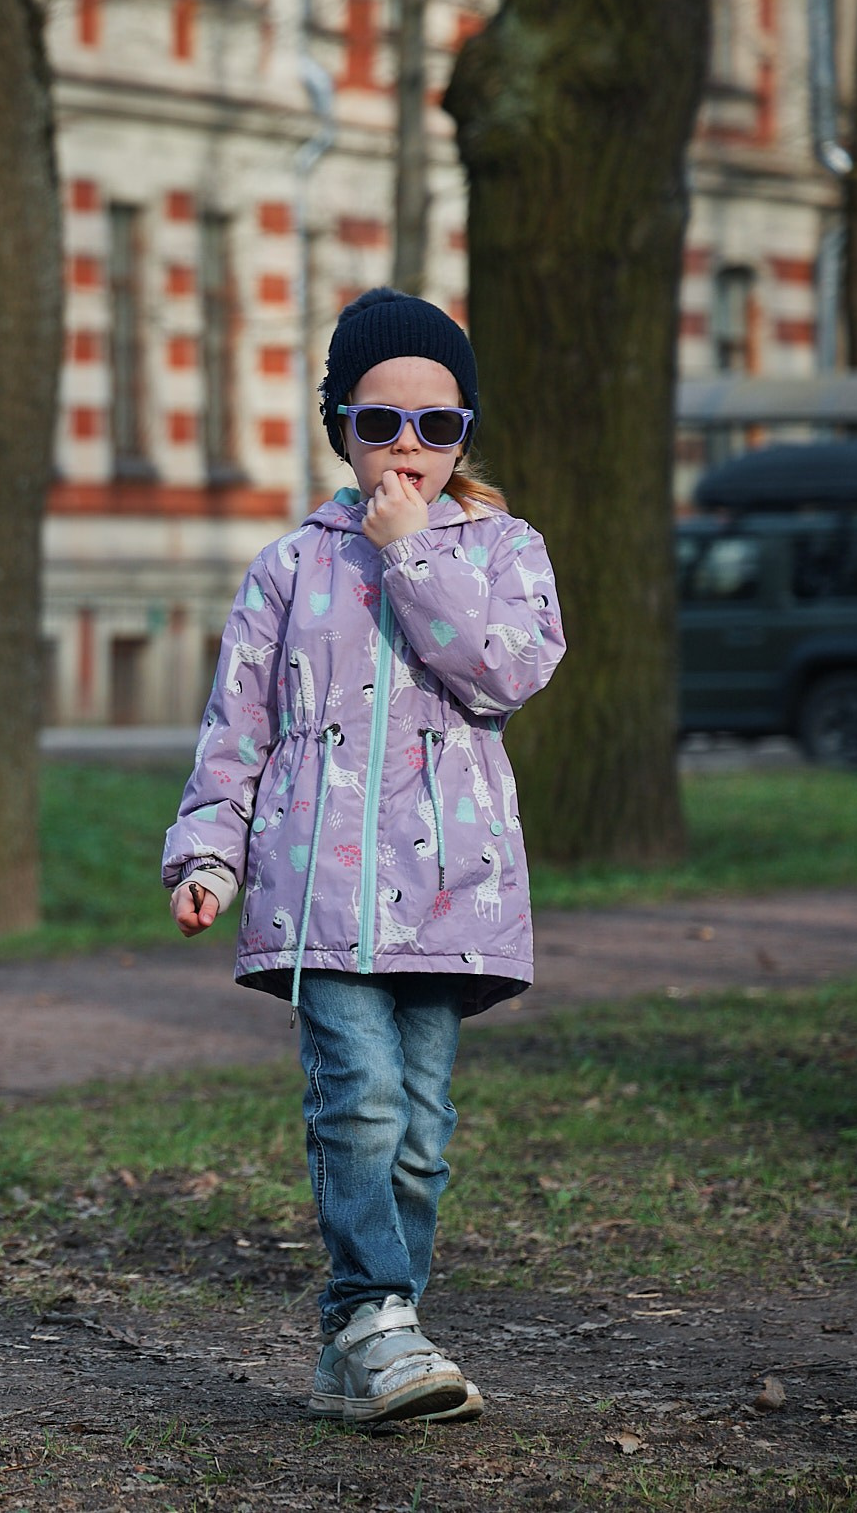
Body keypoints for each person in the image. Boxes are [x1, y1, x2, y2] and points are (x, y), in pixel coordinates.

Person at [160, 287, 565, 1427]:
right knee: (362, 1106)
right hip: (312, 897)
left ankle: (372, 1337)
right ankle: (375, 1317)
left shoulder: (502, 551)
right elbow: (233, 730)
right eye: (381, 423)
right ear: (340, 425)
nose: (408, 451)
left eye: (437, 428)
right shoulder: (289, 567)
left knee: (421, 1135)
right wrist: (208, 858)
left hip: (449, 899)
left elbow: (507, 673)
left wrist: (413, 557)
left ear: (464, 436)